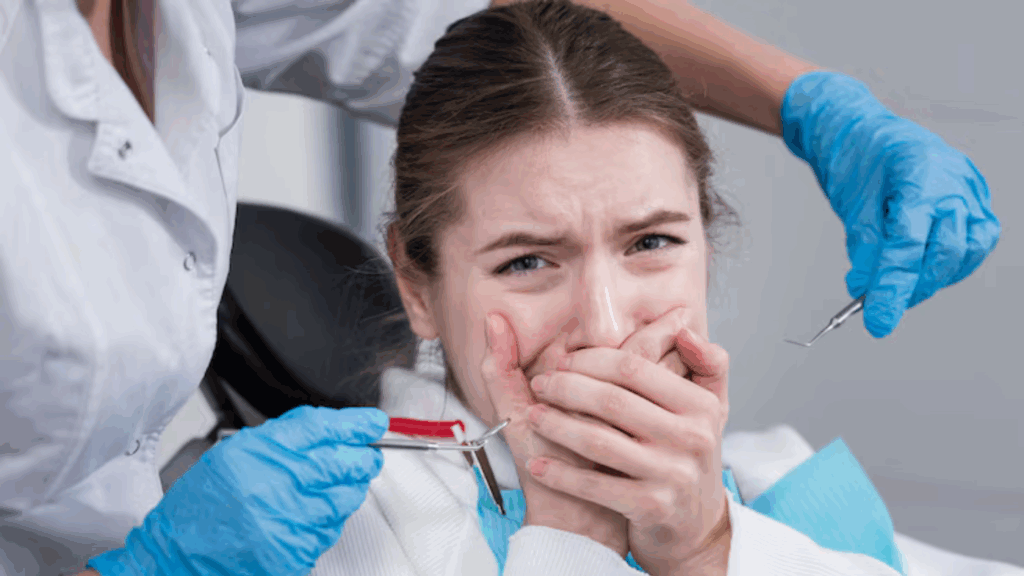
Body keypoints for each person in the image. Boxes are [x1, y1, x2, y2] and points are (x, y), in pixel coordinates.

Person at [0, 0, 1000, 575]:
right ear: (416, 283)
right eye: (527, 262)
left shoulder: (776, 487)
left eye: (652, 241)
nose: (602, 326)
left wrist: (710, 547)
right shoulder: (344, 542)